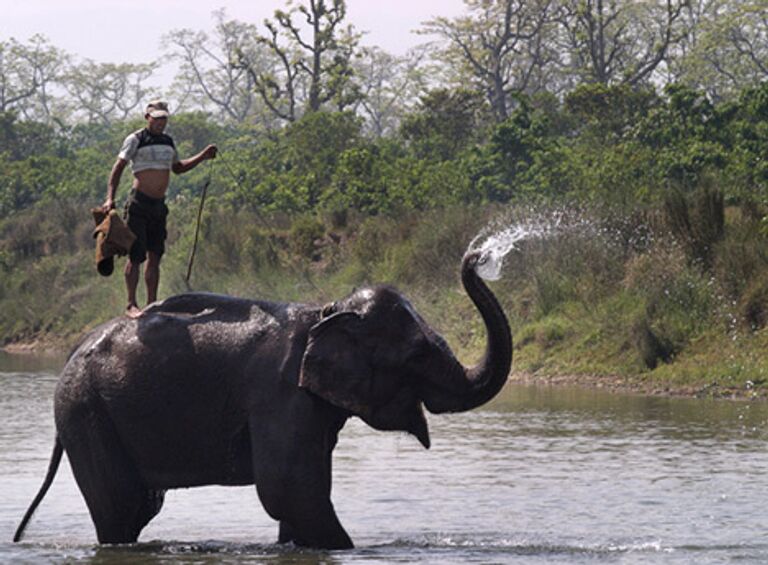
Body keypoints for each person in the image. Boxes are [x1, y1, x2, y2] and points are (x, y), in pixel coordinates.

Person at [102, 100, 217, 318]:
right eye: (156, 119)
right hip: (139, 203)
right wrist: (110, 198)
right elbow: (118, 168)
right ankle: (131, 303)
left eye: (164, 119)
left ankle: (152, 303)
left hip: (158, 206)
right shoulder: (136, 139)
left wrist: (203, 156)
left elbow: (178, 168)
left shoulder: (167, 141)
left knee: (155, 255)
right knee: (136, 256)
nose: (160, 123)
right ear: (148, 118)